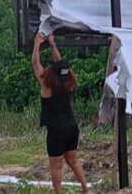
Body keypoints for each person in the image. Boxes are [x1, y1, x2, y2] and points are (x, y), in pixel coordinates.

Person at [32, 32, 91, 194]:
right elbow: (61, 65)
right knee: (72, 160)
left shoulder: (46, 84)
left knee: (56, 166)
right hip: (71, 127)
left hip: (56, 129)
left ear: (51, 72)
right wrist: (52, 44)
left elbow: (35, 63)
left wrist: (37, 44)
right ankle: (86, 189)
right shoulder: (69, 82)